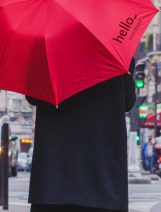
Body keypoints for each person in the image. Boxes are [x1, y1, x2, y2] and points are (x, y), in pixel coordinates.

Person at [24, 59, 136, 212]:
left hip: (53, 175)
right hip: (102, 174)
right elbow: (128, 101)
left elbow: (32, 96)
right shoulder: (117, 54)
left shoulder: (46, 52)